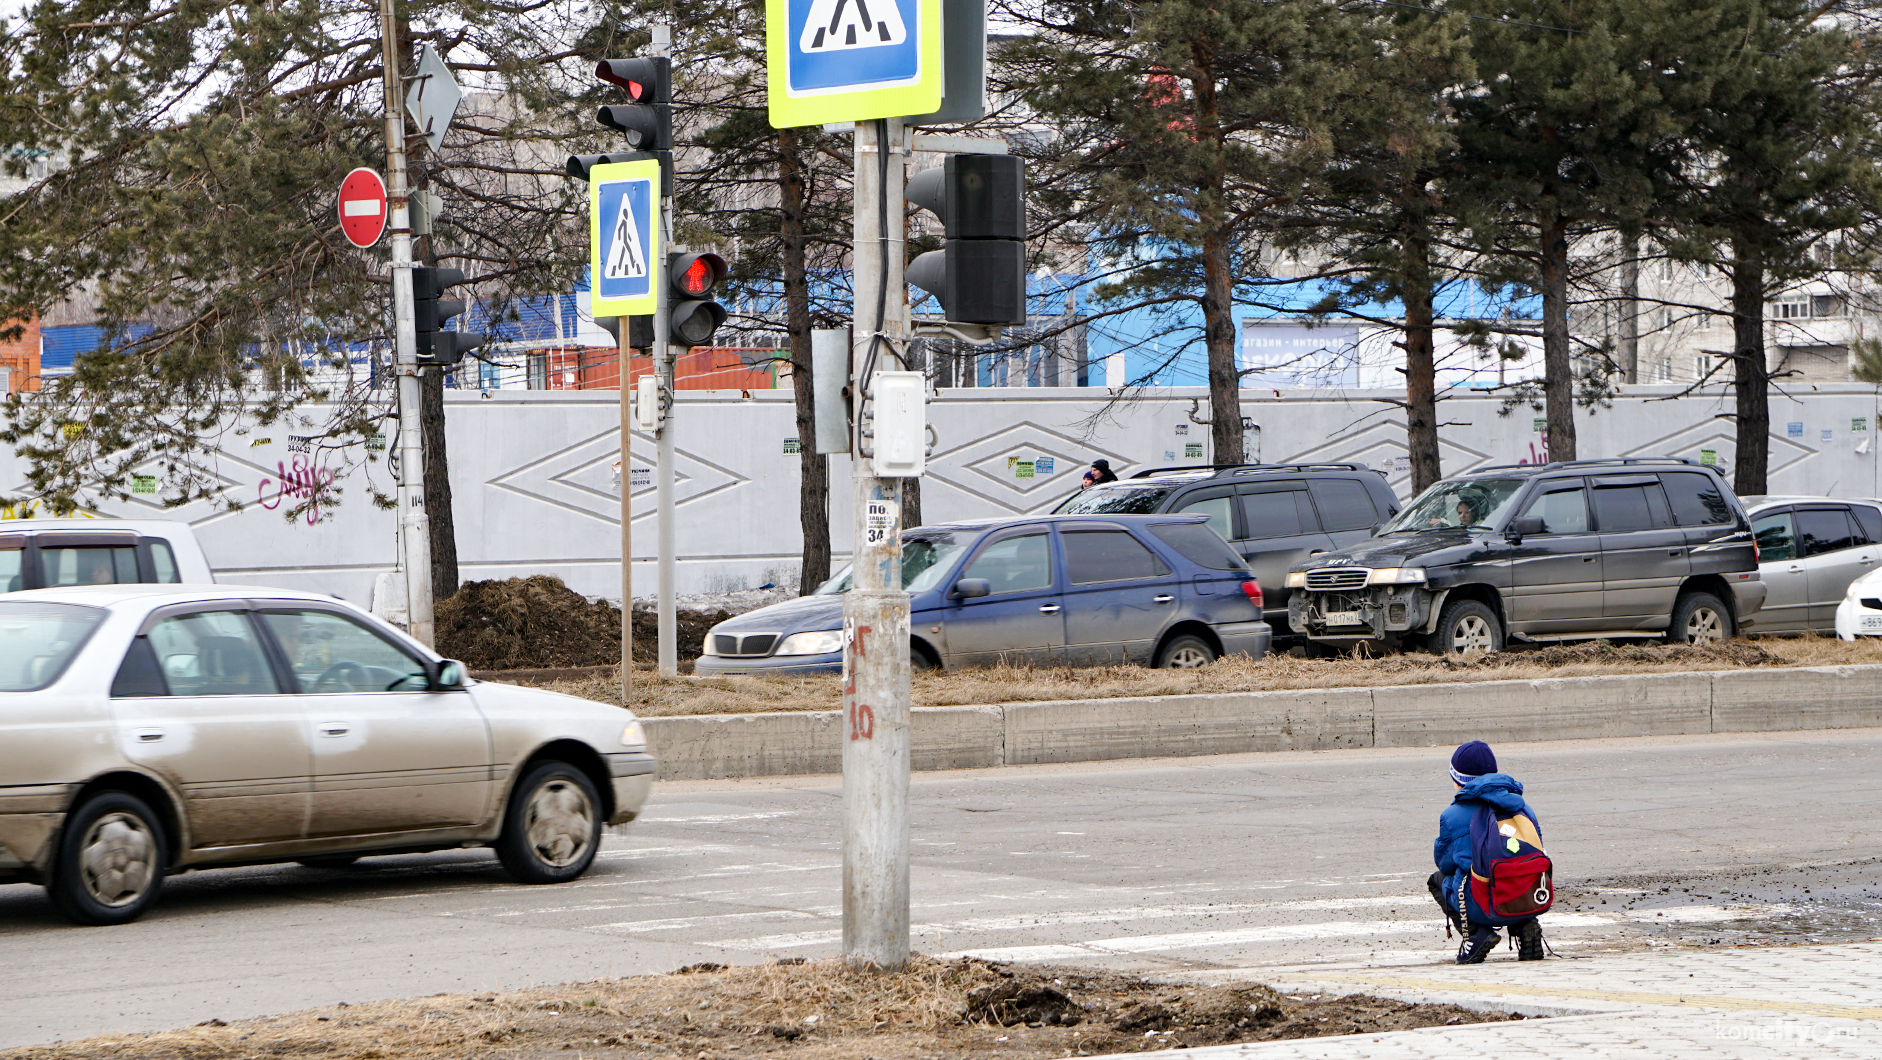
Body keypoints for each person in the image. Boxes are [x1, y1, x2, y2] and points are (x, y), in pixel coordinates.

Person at [1428, 740, 1545, 963]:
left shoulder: (1452, 816)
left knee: (1439, 880)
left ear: (1458, 780)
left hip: (1485, 903)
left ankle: (1475, 933)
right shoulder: (1521, 807)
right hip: (1526, 897)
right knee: (1514, 868)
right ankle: (1525, 925)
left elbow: (1444, 863)